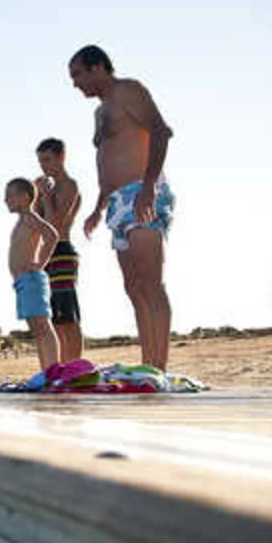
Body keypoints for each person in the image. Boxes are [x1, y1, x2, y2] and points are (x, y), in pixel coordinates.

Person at [71, 44, 176, 369]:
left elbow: (161, 132)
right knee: (133, 287)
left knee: (151, 283)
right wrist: (98, 209)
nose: (75, 83)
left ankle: (160, 367)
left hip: (142, 192)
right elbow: (107, 162)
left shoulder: (128, 90)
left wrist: (148, 186)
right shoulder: (99, 112)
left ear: (97, 66)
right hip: (116, 203)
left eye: (77, 74)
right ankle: (148, 363)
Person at [34, 138, 84, 362]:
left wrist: (45, 196)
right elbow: (36, 222)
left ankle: (75, 365)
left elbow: (56, 224)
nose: (43, 166)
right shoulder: (48, 188)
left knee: (68, 314)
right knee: (55, 315)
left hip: (62, 250)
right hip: (46, 253)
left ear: (61, 157)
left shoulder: (69, 185)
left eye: (47, 160)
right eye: (40, 161)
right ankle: (61, 367)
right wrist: (34, 197)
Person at [6, 178, 60, 370]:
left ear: (25, 197)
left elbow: (52, 235)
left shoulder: (30, 217)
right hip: (22, 281)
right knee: (36, 328)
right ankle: (46, 370)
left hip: (31, 279)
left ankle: (53, 370)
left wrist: (40, 263)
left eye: (10, 195)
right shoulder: (22, 220)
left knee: (42, 326)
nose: (6, 199)